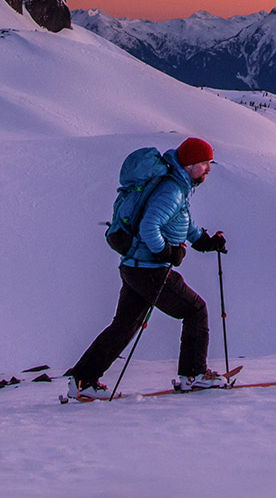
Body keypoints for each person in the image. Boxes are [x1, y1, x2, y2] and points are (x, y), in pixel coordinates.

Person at [67, 136, 231, 397]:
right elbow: (149, 226)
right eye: (204, 163)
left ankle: (82, 381)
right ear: (189, 165)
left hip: (133, 267)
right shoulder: (172, 191)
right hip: (150, 270)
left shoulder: (175, 186)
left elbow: (183, 226)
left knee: (124, 325)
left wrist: (207, 242)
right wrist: (167, 252)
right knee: (195, 310)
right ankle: (193, 375)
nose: (208, 169)